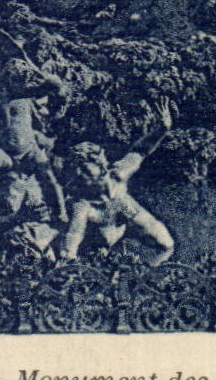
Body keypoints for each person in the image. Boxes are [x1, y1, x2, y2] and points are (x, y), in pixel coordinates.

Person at [59, 98, 177, 266]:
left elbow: (140, 150)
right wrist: (67, 256)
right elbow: (74, 233)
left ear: (101, 167)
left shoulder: (119, 173)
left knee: (166, 243)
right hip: (98, 233)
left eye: (84, 170)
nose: (79, 176)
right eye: (76, 171)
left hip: (124, 210)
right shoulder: (81, 202)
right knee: (91, 241)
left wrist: (162, 130)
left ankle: (149, 272)